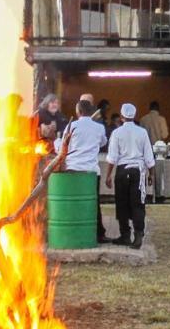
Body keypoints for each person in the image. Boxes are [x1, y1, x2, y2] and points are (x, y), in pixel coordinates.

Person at [54, 99, 111, 244]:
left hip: (73, 170)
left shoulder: (71, 126)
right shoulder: (99, 128)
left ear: (78, 111)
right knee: (94, 203)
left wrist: (56, 141)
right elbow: (103, 142)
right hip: (91, 171)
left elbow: (62, 148)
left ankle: (71, 233)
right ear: (92, 112)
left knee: (72, 203)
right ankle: (99, 234)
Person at [104, 103, 155, 248]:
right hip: (139, 171)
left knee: (122, 203)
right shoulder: (142, 132)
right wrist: (151, 175)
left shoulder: (116, 133)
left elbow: (112, 157)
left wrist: (108, 176)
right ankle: (138, 235)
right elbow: (149, 157)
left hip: (122, 171)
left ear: (121, 117)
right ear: (134, 116)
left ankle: (125, 234)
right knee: (138, 203)